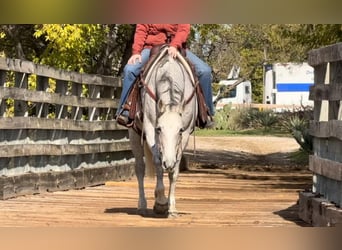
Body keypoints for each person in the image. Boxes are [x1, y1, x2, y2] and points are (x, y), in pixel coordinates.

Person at [115, 24, 214, 127]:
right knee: (130, 70)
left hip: (177, 47)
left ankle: (206, 112)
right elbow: (141, 29)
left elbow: (184, 28)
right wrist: (136, 51)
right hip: (151, 47)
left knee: (205, 71)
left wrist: (174, 45)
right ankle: (125, 109)